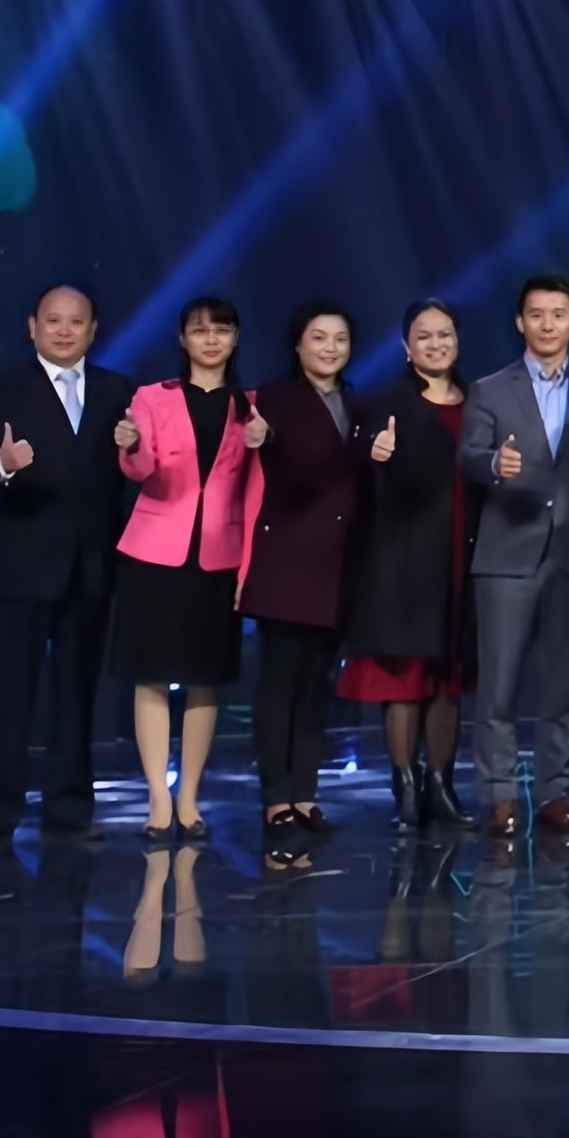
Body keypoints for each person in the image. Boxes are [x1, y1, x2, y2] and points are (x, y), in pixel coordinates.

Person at [0, 282, 135, 844]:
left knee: (77, 697)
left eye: (76, 321)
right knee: (9, 697)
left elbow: (127, 479)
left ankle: (69, 811)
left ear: (93, 330)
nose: (64, 331)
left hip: (90, 567)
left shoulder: (117, 391)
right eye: (53, 320)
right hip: (20, 564)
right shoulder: (1, 389)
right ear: (32, 327)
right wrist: (3, 466)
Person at [110, 297, 261, 841]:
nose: (211, 339)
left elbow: (256, 491)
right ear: (182, 339)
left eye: (222, 329)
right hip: (154, 551)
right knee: (151, 672)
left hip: (220, 552)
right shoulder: (152, 397)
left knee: (206, 677)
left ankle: (190, 797)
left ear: (236, 338)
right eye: (200, 330)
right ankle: (158, 796)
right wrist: (130, 447)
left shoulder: (251, 407)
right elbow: (142, 467)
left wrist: (248, 568)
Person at [457, 272, 569, 839]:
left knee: (562, 686)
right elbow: (469, 454)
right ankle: (499, 798)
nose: (547, 324)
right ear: (520, 322)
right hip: (506, 554)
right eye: (536, 314)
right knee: (499, 687)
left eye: (558, 314)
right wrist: (495, 464)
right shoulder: (490, 390)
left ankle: (555, 796)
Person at [243, 302, 376, 857]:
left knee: (316, 686)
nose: (329, 348)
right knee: (280, 685)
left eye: (339, 338)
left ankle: (305, 794)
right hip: (288, 562)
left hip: (339, 566)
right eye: (318, 337)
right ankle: (276, 800)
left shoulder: (360, 405)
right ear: (298, 344)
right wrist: (262, 436)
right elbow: (271, 449)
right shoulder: (275, 399)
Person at [343, 299, 475, 827]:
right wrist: (375, 454)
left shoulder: (480, 401)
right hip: (404, 560)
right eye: (424, 336)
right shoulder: (387, 404)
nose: (436, 344)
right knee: (404, 679)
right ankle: (405, 785)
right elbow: (362, 462)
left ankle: (442, 785)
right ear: (406, 345)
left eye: (445, 334)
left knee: (449, 680)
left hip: (463, 555)